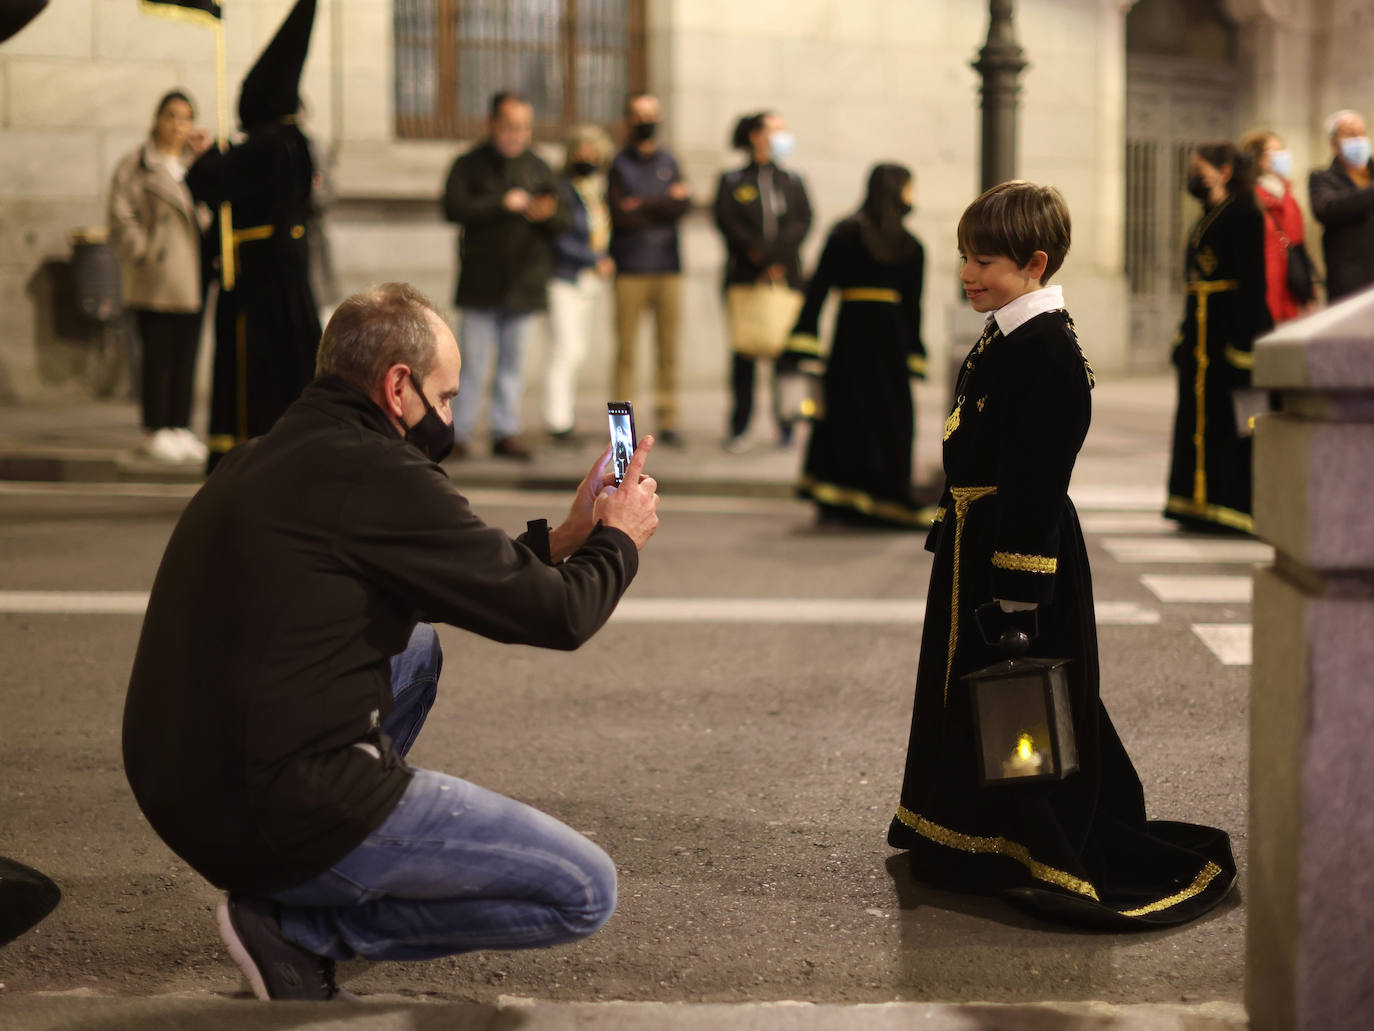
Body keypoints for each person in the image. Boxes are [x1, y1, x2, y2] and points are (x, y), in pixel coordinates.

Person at [122, 282, 661, 1001]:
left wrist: (569, 536)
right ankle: (301, 925)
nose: (448, 417)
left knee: (416, 648)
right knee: (583, 889)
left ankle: (302, 878)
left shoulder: (273, 452)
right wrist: (620, 540)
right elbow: (558, 616)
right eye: (444, 398)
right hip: (272, 798)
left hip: (179, 782)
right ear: (396, 384)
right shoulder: (381, 474)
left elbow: (461, 570)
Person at [887, 180, 1236, 929]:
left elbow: (1040, 480)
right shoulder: (1009, 331)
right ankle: (967, 832)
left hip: (1015, 552)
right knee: (977, 697)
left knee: (1019, 703)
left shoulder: (1047, 349)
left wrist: (1017, 589)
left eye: (985, 262)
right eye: (964, 258)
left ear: (1035, 261)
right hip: (975, 538)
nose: (969, 274)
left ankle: (1025, 842)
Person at [186, 0, 322, 473]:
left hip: (258, 277)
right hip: (282, 271)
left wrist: (210, 156)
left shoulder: (268, 144)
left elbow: (208, 182)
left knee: (257, 370)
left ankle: (246, 454)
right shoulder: (294, 142)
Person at [779, 163, 925, 528]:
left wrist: (804, 338)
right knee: (891, 417)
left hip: (852, 338)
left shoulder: (844, 232)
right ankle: (883, 496)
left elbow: (819, 289)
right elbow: (913, 308)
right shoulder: (911, 246)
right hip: (890, 343)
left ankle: (840, 496)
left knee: (846, 412)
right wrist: (914, 352)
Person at [443, 91, 567, 461]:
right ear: (492, 124)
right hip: (481, 283)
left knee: (513, 365)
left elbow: (565, 219)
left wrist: (545, 213)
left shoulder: (540, 168)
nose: (516, 134)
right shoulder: (469, 164)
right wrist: (501, 203)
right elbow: (453, 207)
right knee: (472, 365)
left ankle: (505, 430)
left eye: (523, 128)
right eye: (509, 126)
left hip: (524, 283)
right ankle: (459, 432)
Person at [1164, 142, 1272, 534]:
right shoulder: (1208, 213)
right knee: (1199, 417)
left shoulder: (1245, 212)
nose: (1194, 175)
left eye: (1200, 168)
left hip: (1229, 333)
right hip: (1201, 334)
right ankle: (1196, 503)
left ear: (1224, 171)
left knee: (1235, 422)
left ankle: (1232, 505)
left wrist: (1245, 343)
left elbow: (1253, 282)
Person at [108, 90, 213, 464]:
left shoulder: (193, 164)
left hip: (193, 271)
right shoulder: (138, 164)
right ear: (157, 119)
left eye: (185, 117)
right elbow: (121, 215)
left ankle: (179, 425)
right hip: (158, 272)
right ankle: (157, 427)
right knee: (158, 351)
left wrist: (209, 158)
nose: (177, 124)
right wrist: (145, 251)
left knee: (187, 349)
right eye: (170, 115)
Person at [713, 111, 813, 453]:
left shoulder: (793, 181)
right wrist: (758, 256)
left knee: (788, 357)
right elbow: (727, 221)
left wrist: (778, 259)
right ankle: (740, 426)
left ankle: (787, 423)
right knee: (744, 355)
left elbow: (802, 221)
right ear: (756, 136)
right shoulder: (732, 180)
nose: (782, 136)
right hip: (745, 278)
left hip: (786, 280)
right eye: (775, 130)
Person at [608, 91, 690, 446]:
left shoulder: (669, 160)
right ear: (629, 120)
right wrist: (663, 202)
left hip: (668, 266)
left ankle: (668, 416)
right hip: (630, 267)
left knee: (668, 348)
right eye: (639, 114)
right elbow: (621, 213)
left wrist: (643, 203)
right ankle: (622, 430)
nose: (646, 120)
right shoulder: (619, 164)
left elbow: (683, 205)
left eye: (651, 113)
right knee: (626, 351)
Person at [544, 124, 615, 444]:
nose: (587, 158)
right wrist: (592, 258)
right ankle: (558, 420)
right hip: (564, 277)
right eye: (581, 152)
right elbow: (558, 236)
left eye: (593, 153)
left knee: (579, 350)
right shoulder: (561, 189)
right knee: (566, 349)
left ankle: (566, 414)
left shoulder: (594, 191)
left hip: (589, 282)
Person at [1241, 130, 1314, 324]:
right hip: (1262, 293)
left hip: (1290, 292)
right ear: (1259, 159)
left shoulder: (1289, 199)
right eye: (1275, 151)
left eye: (1283, 150)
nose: (1283, 156)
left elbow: (1299, 247)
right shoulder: (1250, 200)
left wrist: (1307, 293)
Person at [1308, 109, 1374, 302]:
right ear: (1334, 143)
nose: (1359, 140)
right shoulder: (1322, 179)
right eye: (1351, 134)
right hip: (1349, 282)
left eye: (1362, 134)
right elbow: (1327, 209)